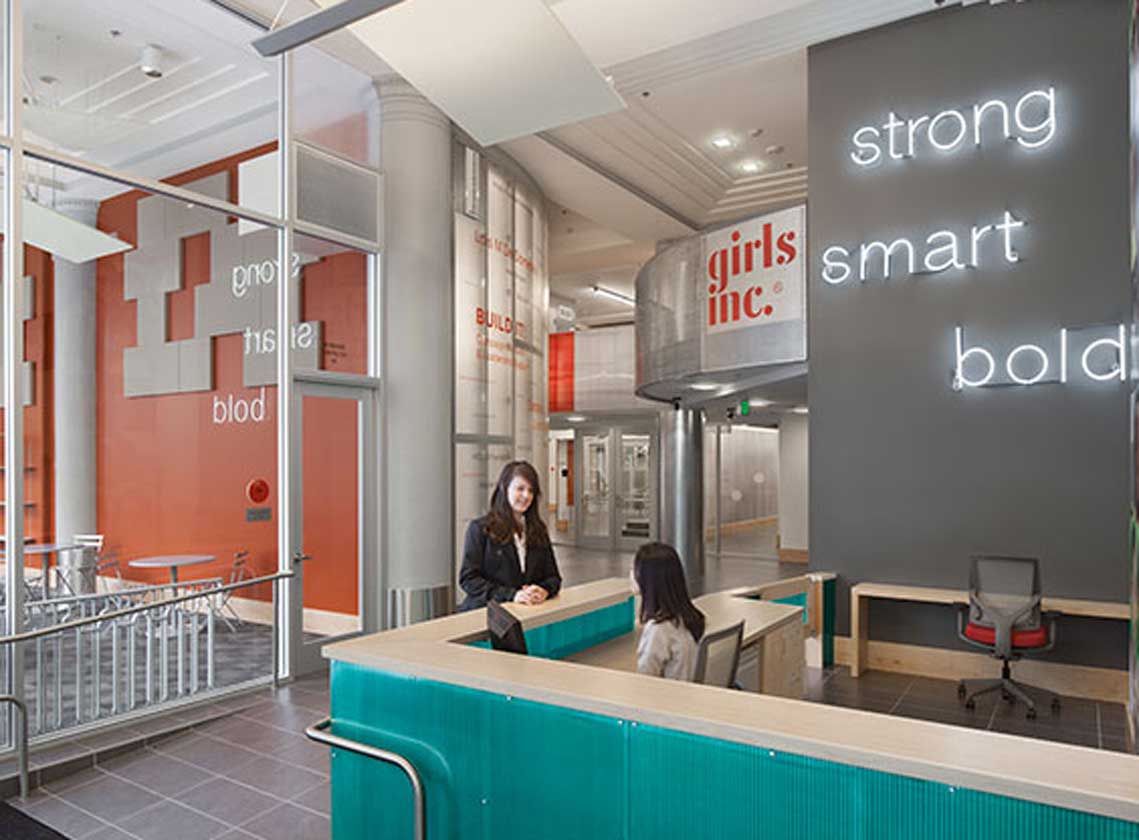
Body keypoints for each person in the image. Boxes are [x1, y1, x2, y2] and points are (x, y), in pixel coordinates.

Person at [459, 460, 562, 610]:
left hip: (527, 614)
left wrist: (544, 590)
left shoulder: (538, 530)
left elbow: (553, 577)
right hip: (489, 614)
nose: (526, 495)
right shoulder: (480, 529)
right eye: (520, 489)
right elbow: (469, 579)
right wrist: (511, 595)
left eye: (531, 490)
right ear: (504, 488)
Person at [630, 542, 705, 681]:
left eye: (634, 570)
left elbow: (644, 680)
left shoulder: (658, 630)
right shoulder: (688, 617)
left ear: (648, 579)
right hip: (688, 697)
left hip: (667, 700)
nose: (631, 575)